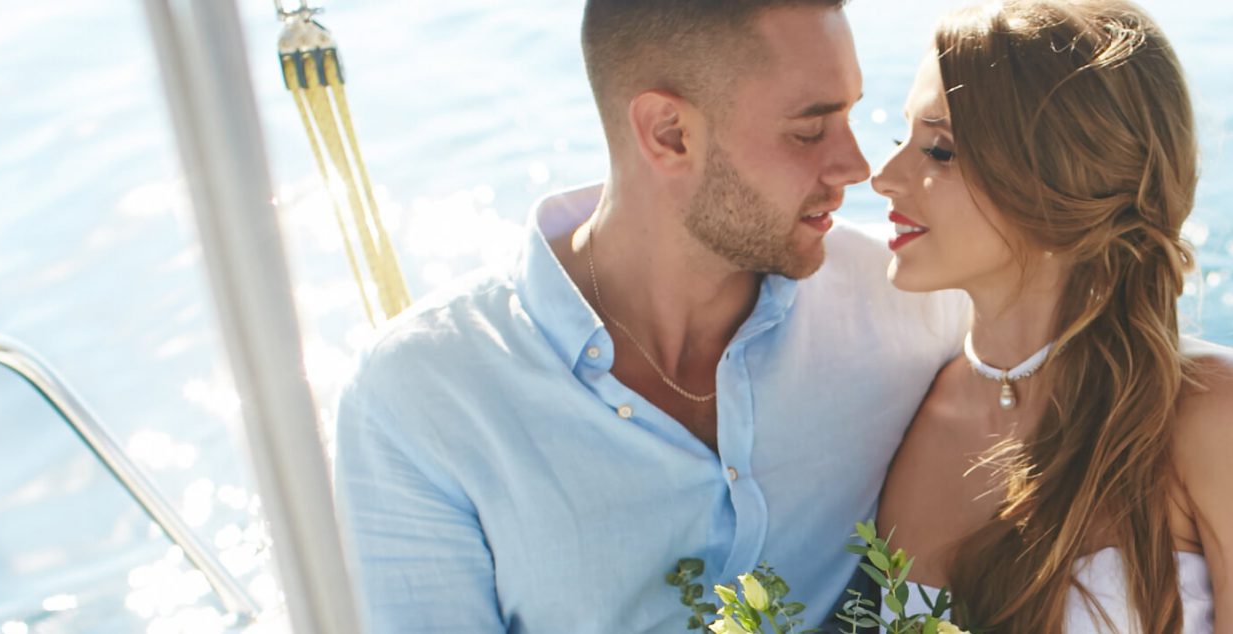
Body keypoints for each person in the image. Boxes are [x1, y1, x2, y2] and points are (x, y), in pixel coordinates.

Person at [328, 1, 968, 630]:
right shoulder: (419, 401)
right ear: (669, 133)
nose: (857, 168)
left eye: (853, 116)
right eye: (808, 131)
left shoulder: (909, 307)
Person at [870, 1, 1233, 632]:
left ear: (1057, 180)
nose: (883, 176)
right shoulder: (916, 425)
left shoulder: (1217, 411)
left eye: (940, 150)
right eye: (903, 137)